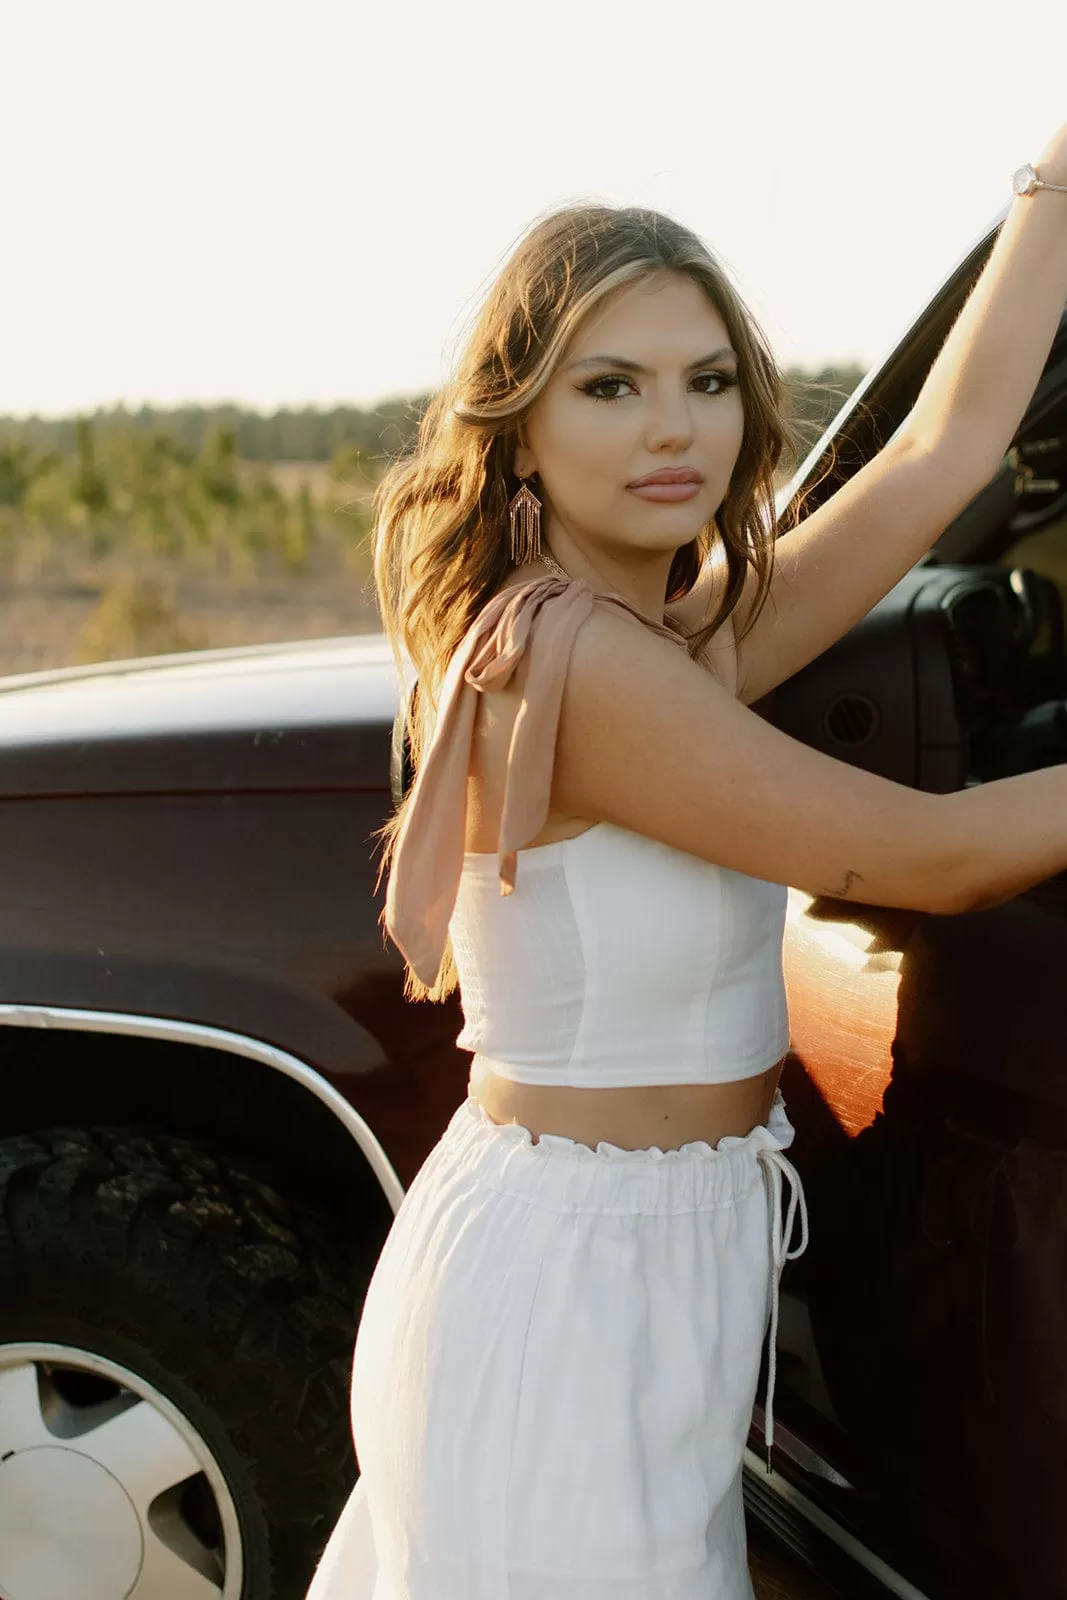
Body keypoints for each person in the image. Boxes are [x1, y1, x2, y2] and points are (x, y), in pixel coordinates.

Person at [308, 124, 1067, 1600]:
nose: (675, 430)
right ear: (518, 427)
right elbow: (932, 857)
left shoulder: (664, 639)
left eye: (705, 383)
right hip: (564, 1301)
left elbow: (939, 453)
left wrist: (1046, 188)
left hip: (649, 1268)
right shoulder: (575, 662)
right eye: (611, 387)